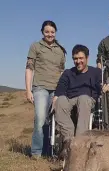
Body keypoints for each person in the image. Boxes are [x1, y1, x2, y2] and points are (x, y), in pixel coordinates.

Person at [52, 44, 109, 148]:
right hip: (70, 98)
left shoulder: (96, 72)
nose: (78, 61)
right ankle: (68, 140)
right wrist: (56, 99)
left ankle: (80, 142)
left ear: (87, 58)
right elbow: (60, 88)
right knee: (60, 101)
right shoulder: (68, 73)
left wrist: (105, 86)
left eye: (81, 58)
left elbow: (102, 85)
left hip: (87, 99)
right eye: (75, 59)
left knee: (83, 98)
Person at [25, 20, 67, 160]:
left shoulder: (60, 50)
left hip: (56, 89)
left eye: (52, 32)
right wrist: (28, 90)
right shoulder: (35, 46)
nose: (50, 34)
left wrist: (62, 91)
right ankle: (36, 153)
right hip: (40, 88)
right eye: (47, 31)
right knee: (40, 119)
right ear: (42, 32)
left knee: (52, 121)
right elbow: (29, 68)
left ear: (56, 32)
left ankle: (48, 151)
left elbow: (62, 72)